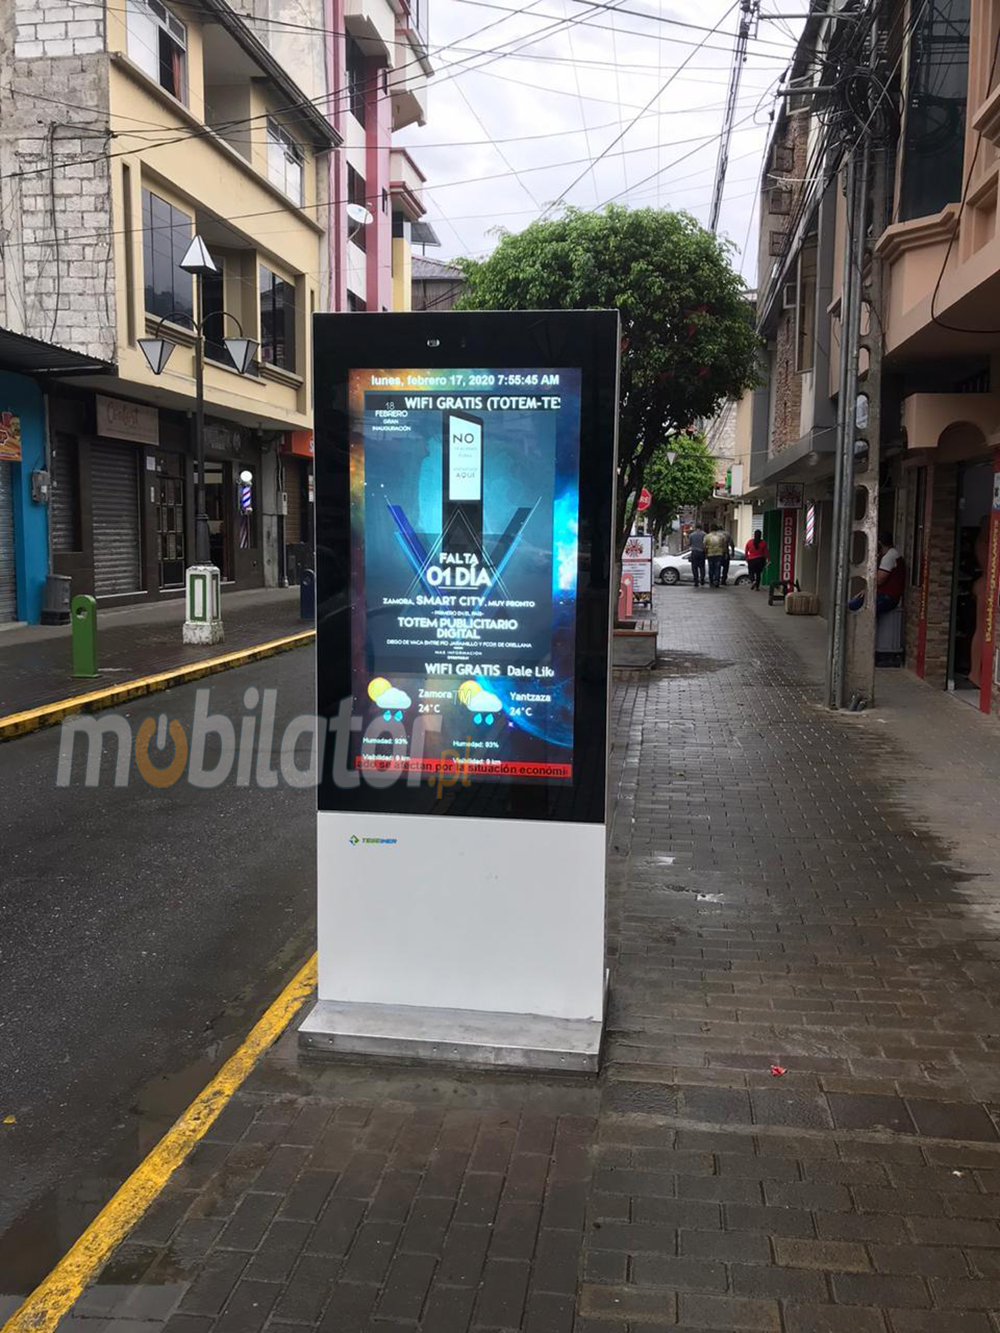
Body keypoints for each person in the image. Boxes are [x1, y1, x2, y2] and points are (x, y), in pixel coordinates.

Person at [848, 531, 905, 615]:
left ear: (879, 543)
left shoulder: (889, 557)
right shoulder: (894, 554)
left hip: (887, 597)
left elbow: (879, 580)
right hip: (889, 596)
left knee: (852, 605)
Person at [688, 521, 707, 587]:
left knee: (694, 567)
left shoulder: (692, 535)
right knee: (702, 567)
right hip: (702, 552)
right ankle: (702, 579)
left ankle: (696, 581)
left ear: (695, 528)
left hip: (694, 552)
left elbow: (689, 544)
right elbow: (706, 544)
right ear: (701, 528)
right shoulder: (704, 534)